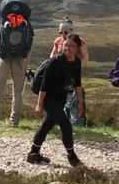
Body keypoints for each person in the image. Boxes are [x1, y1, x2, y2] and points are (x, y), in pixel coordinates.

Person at [27, 33, 84, 168]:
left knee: (47, 125)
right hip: (48, 99)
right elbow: (44, 85)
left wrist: (80, 103)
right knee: (66, 125)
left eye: (72, 46)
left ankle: (33, 154)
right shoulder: (55, 62)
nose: (68, 48)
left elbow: (78, 84)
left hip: (61, 98)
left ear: (77, 48)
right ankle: (72, 156)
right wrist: (39, 104)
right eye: (66, 45)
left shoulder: (76, 62)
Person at [0, 2, 34, 127]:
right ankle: (14, 122)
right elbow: (29, 46)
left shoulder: (1, 22)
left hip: (4, 59)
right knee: (18, 93)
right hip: (20, 60)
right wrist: (27, 64)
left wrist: (0, 48)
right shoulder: (27, 24)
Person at [50, 17, 89, 126]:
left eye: (65, 31)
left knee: (77, 96)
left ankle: (79, 121)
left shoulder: (80, 41)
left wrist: (77, 68)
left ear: (71, 30)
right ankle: (59, 121)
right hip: (59, 75)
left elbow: (85, 57)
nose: (63, 33)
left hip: (73, 74)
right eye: (61, 31)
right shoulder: (57, 41)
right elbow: (52, 55)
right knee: (59, 96)